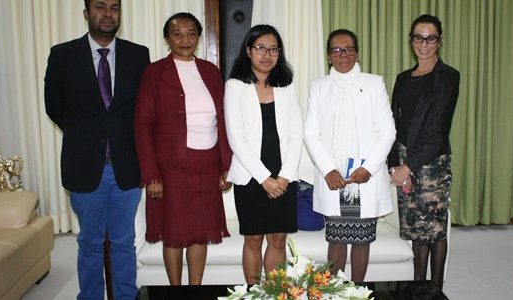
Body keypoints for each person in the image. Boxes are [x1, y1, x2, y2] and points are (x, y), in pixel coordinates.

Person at [44, 0, 150, 298]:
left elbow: (144, 107)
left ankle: (125, 296)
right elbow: (54, 105)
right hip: (84, 164)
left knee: (123, 241)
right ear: (86, 13)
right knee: (89, 242)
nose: (108, 13)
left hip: (127, 165)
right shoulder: (63, 54)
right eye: (100, 7)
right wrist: (86, 133)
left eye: (114, 8)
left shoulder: (138, 54)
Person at [134, 12, 233, 285]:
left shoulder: (210, 71)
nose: (185, 39)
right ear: (167, 39)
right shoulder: (154, 73)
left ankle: (195, 290)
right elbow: (143, 125)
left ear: (199, 37)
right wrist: (151, 175)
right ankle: (176, 291)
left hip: (207, 163)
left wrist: (226, 165)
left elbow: (224, 120)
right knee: (175, 232)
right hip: (172, 166)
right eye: (177, 34)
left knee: (200, 231)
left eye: (191, 33)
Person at [304, 29, 396, 282]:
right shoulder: (319, 86)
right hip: (335, 176)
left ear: (357, 53)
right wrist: (328, 170)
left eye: (349, 49)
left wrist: (370, 168)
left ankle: (357, 290)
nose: (343, 54)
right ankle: (334, 291)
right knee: (336, 238)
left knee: (361, 238)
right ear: (328, 55)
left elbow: (387, 131)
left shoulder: (374, 83)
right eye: (337, 49)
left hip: (362, 175)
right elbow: (311, 133)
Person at [224, 24, 303, 284]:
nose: (267, 54)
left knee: (279, 237)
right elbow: (236, 138)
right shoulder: (235, 86)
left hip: (283, 173)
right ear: (248, 51)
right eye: (261, 48)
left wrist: (283, 178)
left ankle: (276, 292)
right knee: (253, 237)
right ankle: (253, 291)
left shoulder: (286, 86)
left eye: (273, 49)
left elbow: (295, 135)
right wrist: (265, 179)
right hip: (250, 175)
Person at [388, 14, 460, 291]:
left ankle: (436, 288)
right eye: (419, 37)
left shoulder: (448, 77)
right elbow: (393, 121)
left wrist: (409, 166)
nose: (424, 44)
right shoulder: (403, 78)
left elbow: (438, 128)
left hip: (432, 162)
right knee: (417, 227)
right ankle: (418, 285)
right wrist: (395, 164)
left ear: (439, 41)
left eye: (431, 38)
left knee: (435, 226)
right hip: (405, 160)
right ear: (411, 40)